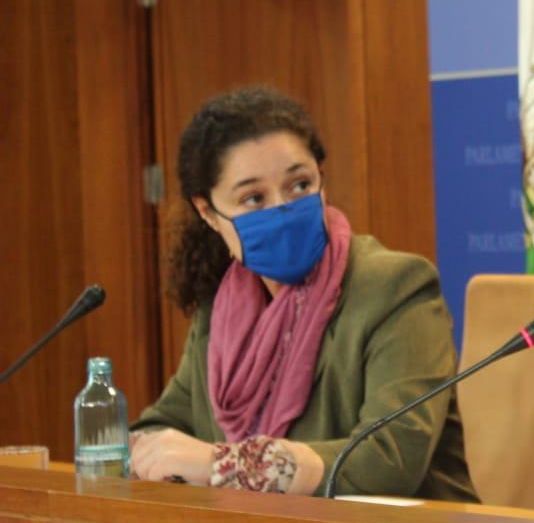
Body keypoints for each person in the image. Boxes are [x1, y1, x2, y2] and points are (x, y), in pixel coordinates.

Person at [131, 88, 478, 500]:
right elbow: (158, 428)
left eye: (299, 185)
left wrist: (224, 466)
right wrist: (143, 453)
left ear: (322, 181)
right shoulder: (222, 309)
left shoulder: (396, 287)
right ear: (208, 213)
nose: (281, 208)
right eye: (253, 198)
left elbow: (391, 460)